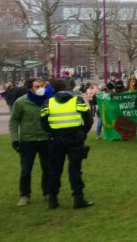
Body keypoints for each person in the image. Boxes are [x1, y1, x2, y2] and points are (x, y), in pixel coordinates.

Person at [39, 78, 94, 210]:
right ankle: (78, 198)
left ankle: (52, 199)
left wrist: (52, 132)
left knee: (54, 170)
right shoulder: (77, 100)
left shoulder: (48, 102)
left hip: (56, 138)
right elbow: (89, 119)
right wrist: (82, 132)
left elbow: (43, 122)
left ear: (53, 89)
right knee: (75, 169)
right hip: (74, 137)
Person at [9, 78, 53, 206]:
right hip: (28, 140)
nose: (40, 88)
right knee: (26, 170)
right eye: (37, 86)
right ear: (30, 88)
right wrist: (15, 139)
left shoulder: (48, 101)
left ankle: (47, 192)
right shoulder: (21, 102)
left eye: (42, 86)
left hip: (45, 139)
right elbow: (14, 121)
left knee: (47, 169)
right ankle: (24, 195)